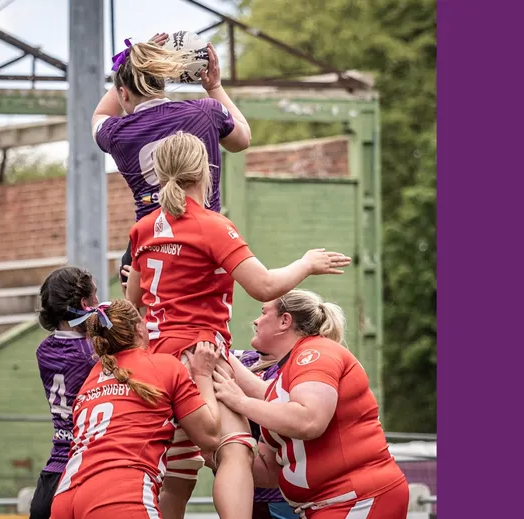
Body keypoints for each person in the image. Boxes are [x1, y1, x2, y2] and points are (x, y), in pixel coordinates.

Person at [125, 132, 352, 519]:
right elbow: (262, 285)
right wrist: (306, 263)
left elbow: (132, 308)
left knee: (175, 470)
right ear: (206, 172)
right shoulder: (211, 226)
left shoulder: (143, 229)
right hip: (200, 356)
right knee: (234, 448)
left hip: (151, 362)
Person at [213, 290, 410, 519]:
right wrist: (216, 452)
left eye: (264, 312)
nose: (256, 321)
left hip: (357, 499)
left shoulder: (316, 352)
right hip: (332, 504)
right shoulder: (283, 382)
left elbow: (310, 420)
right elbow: (268, 471)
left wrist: (240, 402)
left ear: (285, 321)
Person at [91, 32, 252, 289]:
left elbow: (100, 114)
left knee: (147, 327)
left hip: (148, 247)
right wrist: (214, 87)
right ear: (162, 82)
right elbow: (242, 140)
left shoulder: (117, 134)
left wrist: (128, 65)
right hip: (204, 240)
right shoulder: (206, 112)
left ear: (123, 92)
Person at [50, 299, 223, 519]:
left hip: (65, 497)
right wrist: (204, 375)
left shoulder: (91, 379)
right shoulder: (164, 365)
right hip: (118, 493)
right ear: (139, 328)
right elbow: (209, 435)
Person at [27, 266, 101, 519]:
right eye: (96, 296)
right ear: (84, 303)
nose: (100, 304)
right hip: (82, 472)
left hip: (52, 475)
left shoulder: (44, 351)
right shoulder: (93, 355)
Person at [231, 349, 300, 519]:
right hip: (244, 489)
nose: (256, 321)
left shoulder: (296, 367)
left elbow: (270, 396)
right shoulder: (249, 357)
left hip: (276, 494)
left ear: (285, 323)